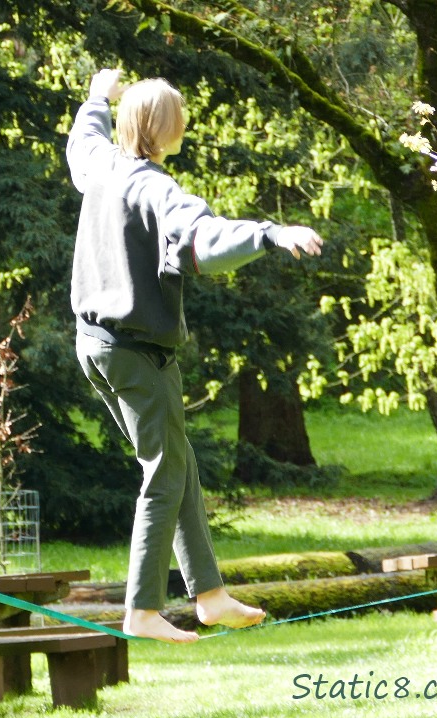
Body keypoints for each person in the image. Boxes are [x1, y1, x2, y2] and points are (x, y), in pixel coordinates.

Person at [67, 69, 323, 643]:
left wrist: (96, 98)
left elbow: (82, 142)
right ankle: (142, 610)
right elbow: (203, 241)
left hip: (96, 346)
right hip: (135, 352)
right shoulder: (156, 188)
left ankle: (209, 596)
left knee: (176, 463)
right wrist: (268, 234)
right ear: (165, 129)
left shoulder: (103, 168)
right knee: (164, 472)